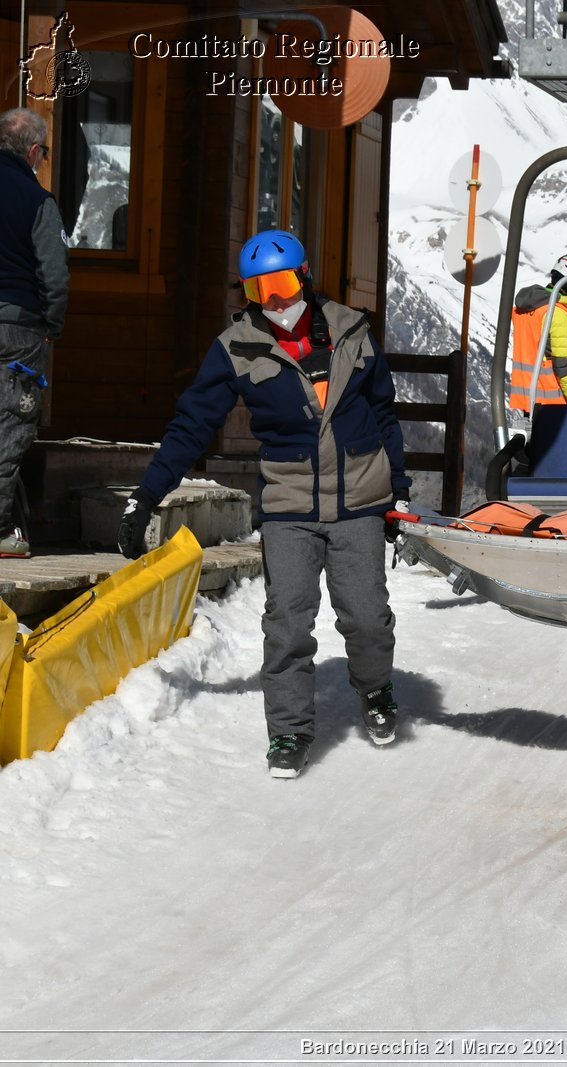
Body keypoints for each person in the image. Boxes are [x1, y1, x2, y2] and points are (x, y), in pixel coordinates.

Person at [116, 229, 409, 779]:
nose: (272, 301)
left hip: (360, 500)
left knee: (366, 618)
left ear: (303, 278)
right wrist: (146, 496)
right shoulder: (238, 347)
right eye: (257, 290)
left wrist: (400, 494)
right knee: (288, 625)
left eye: (279, 284)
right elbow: (191, 425)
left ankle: (376, 691)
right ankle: (289, 733)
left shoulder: (351, 331)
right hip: (289, 506)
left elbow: (384, 414)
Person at [0, 108, 69, 558]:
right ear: (32, 151)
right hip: (17, 328)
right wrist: (51, 326)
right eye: (43, 153)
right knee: (8, 425)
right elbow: (55, 277)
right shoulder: (37, 200)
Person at [508, 252, 567, 411]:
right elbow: (564, 367)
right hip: (553, 403)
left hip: (526, 400)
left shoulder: (523, 309)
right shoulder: (558, 314)